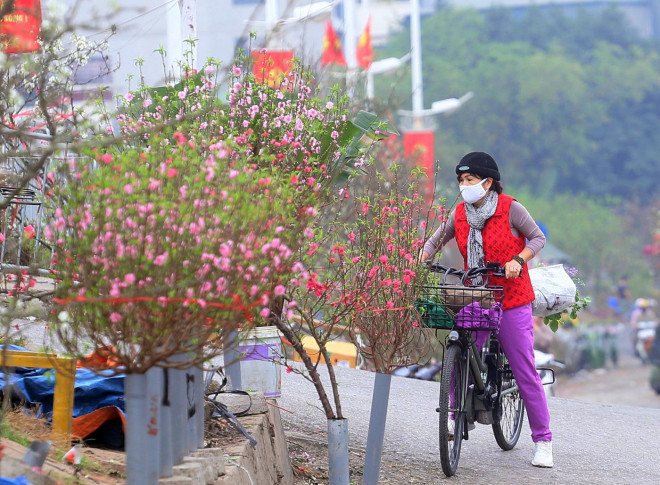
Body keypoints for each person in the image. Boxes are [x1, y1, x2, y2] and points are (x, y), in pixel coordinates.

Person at [420, 152, 553, 468]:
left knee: (524, 369)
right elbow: (435, 241)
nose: (464, 186)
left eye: (469, 180)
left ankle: (543, 440)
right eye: (461, 181)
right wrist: (420, 257)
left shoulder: (510, 208)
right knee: (458, 351)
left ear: (487, 181)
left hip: (512, 297)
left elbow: (537, 238)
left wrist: (518, 260)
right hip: (476, 295)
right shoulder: (460, 214)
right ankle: (454, 414)